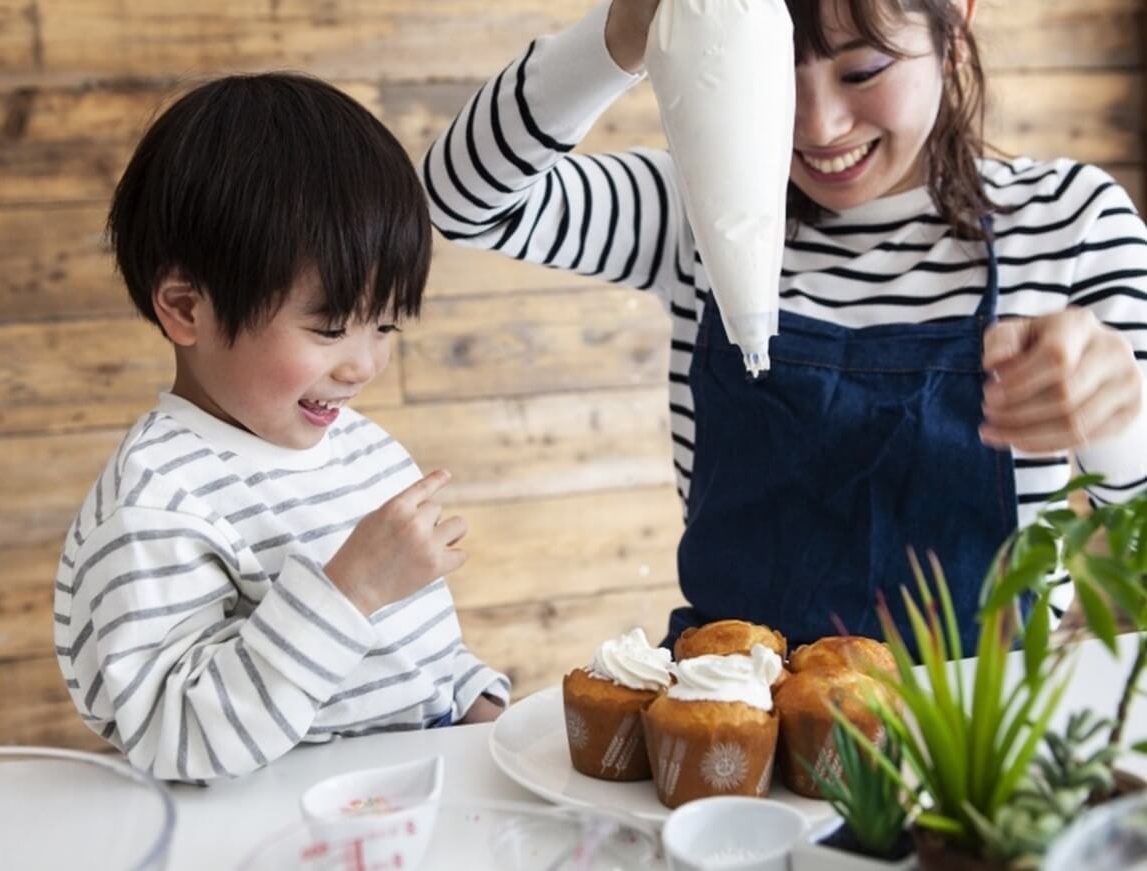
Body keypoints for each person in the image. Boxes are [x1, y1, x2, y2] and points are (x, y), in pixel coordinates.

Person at [422, 0, 1147, 651]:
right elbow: (460, 200)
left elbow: (1137, 531)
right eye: (773, 74)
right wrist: (623, 32)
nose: (818, 125)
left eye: (862, 71)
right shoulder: (692, 212)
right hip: (738, 739)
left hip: (975, 754)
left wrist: (1119, 414)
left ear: (955, 26)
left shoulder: (1068, 225)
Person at [55, 73, 509, 783]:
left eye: (385, 324)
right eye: (329, 328)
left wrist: (476, 702)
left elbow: (402, 657)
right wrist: (349, 589)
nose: (363, 363)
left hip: (416, 802)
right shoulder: (158, 505)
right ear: (186, 308)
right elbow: (181, 737)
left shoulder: (358, 448)